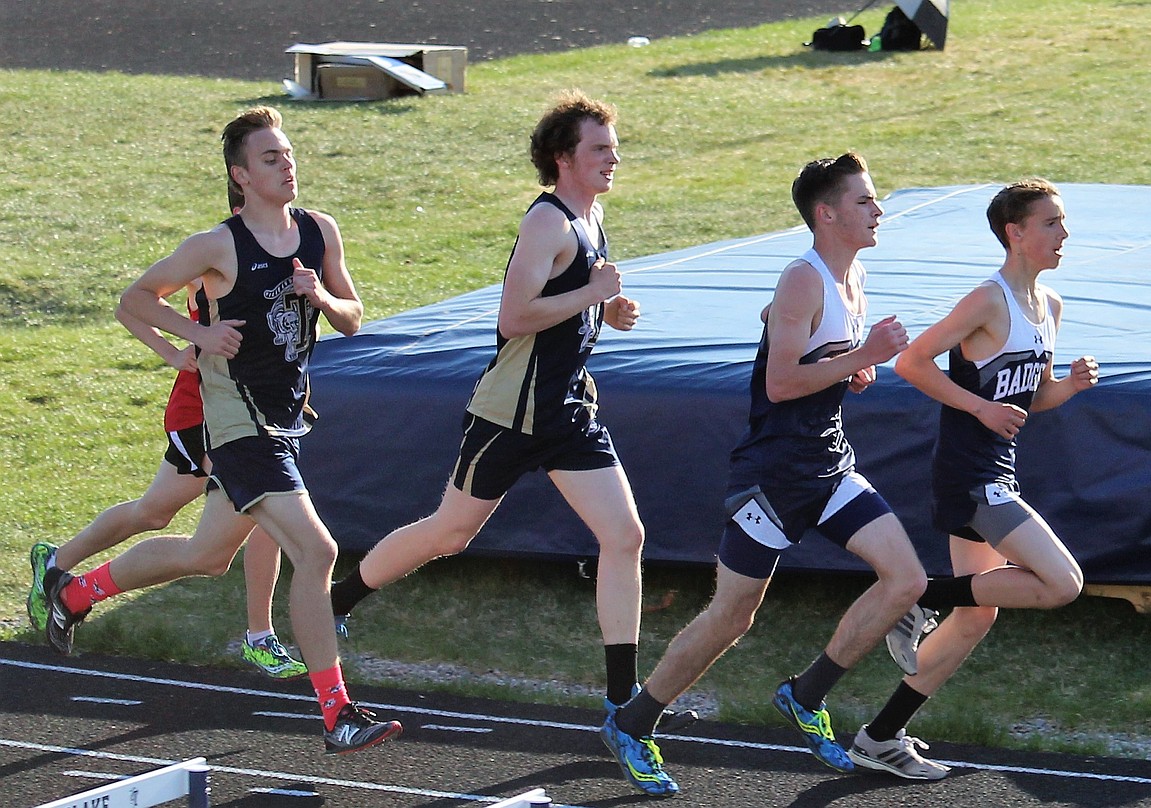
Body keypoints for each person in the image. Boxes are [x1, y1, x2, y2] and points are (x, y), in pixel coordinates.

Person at [328, 89, 693, 753]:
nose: (614, 159)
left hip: (568, 410)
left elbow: (566, 302)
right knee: (450, 533)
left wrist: (604, 313)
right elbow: (514, 317)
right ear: (563, 158)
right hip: (511, 413)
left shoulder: (591, 214)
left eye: (614, 147)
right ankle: (337, 601)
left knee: (625, 536)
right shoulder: (547, 223)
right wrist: (592, 294)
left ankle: (622, 700)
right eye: (600, 149)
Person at [41, 106, 402, 754]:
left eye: (289, 154)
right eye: (271, 158)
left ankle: (76, 594)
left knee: (206, 557)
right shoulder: (218, 246)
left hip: (287, 420)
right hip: (237, 423)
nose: (287, 165)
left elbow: (354, 316)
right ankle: (338, 714)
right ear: (241, 175)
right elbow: (135, 300)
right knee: (317, 553)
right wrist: (197, 335)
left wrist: (320, 297)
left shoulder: (320, 232)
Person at [601, 152, 929, 796]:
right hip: (774, 476)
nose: (879, 210)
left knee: (906, 580)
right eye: (865, 201)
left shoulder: (852, 273)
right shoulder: (803, 278)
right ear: (826, 213)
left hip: (829, 464)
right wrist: (862, 354)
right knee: (733, 615)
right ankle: (635, 723)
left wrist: (846, 363)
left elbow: (802, 347)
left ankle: (805, 695)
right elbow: (780, 383)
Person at [849, 179, 1098, 780]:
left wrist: (1067, 388)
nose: (1064, 234)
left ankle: (879, 736)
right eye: (1052, 223)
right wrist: (977, 407)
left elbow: (1025, 399)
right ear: (1016, 233)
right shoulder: (988, 301)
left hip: (997, 469)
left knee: (976, 615)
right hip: (969, 475)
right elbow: (910, 361)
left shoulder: (1050, 306)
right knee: (1063, 582)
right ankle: (917, 597)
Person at [26, 188, 305, 681]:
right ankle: (59, 568)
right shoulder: (217, 252)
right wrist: (180, 350)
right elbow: (130, 305)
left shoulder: (292, 245)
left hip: (254, 412)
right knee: (168, 515)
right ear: (239, 202)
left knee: (252, 515)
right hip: (204, 407)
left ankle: (260, 637)